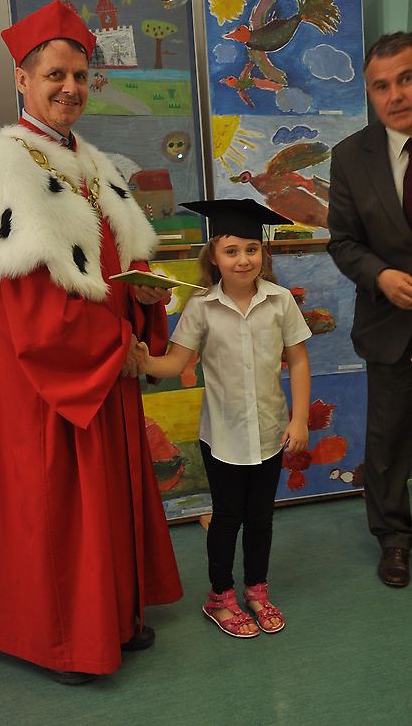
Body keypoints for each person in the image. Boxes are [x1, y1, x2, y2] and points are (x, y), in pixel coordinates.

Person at [0, 0, 182, 683]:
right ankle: (64, 641)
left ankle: (114, 615)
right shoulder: (9, 169)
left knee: (103, 499)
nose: (70, 88)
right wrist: (117, 344)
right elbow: (32, 309)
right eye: (54, 75)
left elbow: (115, 265)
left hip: (100, 360)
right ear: (22, 79)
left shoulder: (89, 162)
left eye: (79, 75)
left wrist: (144, 298)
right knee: (59, 503)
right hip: (50, 381)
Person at [136, 199, 312, 637]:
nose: (243, 259)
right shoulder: (201, 306)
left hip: (270, 431)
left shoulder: (280, 302)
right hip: (223, 434)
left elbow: (299, 360)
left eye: (252, 249)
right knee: (227, 516)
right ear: (213, 256)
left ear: (262, 253)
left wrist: (300, 419)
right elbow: (175, 363)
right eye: (231, 251)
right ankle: (220, 596)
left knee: (261, 517)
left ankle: (256, 589)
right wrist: (143, 360)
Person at [327, 31, 412, 588]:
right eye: (381, 86)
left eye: (406, 79)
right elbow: (343, 241)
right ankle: (395, 539)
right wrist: (379, 274)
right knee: (387, 438)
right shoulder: (350, 157)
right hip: (390, 323)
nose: (395, 95)